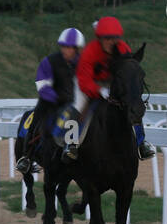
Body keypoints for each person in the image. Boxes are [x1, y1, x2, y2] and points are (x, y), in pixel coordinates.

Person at [53, 16, 154, 161]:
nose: (112, 42)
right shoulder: (90, 52)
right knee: (79, 105)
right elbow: (84, 81)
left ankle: (141, 143)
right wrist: (99, 90)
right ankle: (71, 144)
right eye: (107, 38)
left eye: (115, 38)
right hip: (86, 82)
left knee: (131, 105)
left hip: (111, 83)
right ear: (99, 38)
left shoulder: (123, 48)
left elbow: (127, 71)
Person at [15, 28, 83, 173]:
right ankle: (26, 156)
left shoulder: (84, 63)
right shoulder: (49, 61)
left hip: (76, 103)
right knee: (36, 118)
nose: (66, 50)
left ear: (77, 49)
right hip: (50, 102)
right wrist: (56, 98)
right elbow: (41, 84)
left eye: (70, 47)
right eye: (64, 46)